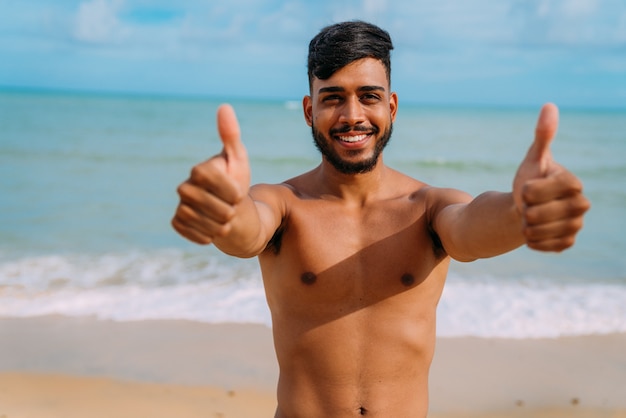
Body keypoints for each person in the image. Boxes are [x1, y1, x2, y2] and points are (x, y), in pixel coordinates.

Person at [172, 20, 590, 418]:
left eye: (369, 96)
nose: (352, 115)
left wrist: (521, 210)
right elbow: (247, 231)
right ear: (308, 110)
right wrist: (224, 210)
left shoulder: (428, 206)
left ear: (390, 106)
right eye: (332, 97)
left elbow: (471, 229)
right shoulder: (284, 204)